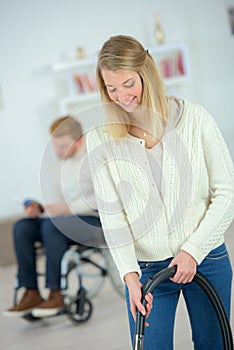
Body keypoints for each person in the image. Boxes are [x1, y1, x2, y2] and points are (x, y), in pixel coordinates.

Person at [86, 35, 234, 349]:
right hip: (146, 271)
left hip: (206, 257)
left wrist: (192, 250)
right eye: (111, 89)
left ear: (147, 74)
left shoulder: (194, 118)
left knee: (214, 344)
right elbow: (113, 217)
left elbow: (227, 192)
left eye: (128, 84)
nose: (121, 96)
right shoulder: (100, 140)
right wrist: (129, 276)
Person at [4, 115, 103, 318]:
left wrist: (69, 207)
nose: (58, 152)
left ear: (79, 141)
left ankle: (56, 293)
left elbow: (104, 198)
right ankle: (30, 291)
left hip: (94, 221)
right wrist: (39, 207)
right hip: (62, 221)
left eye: (63, 146)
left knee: (53, 227)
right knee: (22, 227)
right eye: (55, 146)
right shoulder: (57, 163)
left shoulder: (94, 159)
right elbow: (54, 202)